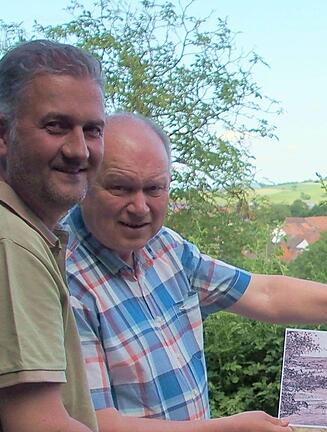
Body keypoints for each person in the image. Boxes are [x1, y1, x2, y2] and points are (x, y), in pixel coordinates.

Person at [64, 112, 327, 432]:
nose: (140, 207)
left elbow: (266, 294)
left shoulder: (166, 249)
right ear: (85, 180)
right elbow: (94, 423)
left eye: (154, 188)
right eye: (120, 187)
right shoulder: (65, 276)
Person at [0, 40, 105, 431]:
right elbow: (38, 424)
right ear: (3, 132)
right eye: (56, 126)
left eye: (92, 130)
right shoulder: (12, 242)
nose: (79, 150)